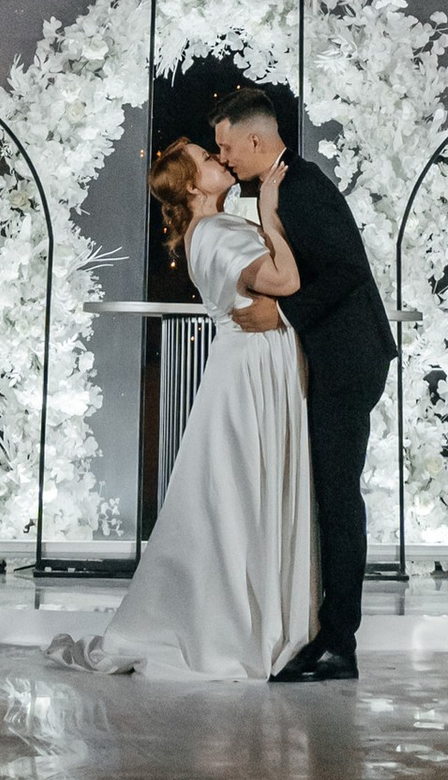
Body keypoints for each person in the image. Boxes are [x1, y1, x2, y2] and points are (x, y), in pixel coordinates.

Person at [59, 138, 316, 681]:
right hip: (250, 374)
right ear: (193, 186)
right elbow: (286, 282)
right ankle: (239, 625)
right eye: (207, 160)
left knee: (234, 493)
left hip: (246, 369)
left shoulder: (209, 229)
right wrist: (269, 211)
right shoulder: (219, 233)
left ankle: (247, 615)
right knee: (242, 492)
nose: (220, 161)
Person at [214, 81, 397, 683]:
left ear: (258, 139)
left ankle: (339, 642)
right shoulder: (282, 188)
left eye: (229, 147)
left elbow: (347, 270)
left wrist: (282, 314)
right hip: (338, 357)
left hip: (348, 361)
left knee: (339, 498)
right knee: (330, 496)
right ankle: (328, 631)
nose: (225, 159)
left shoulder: (302, 187)